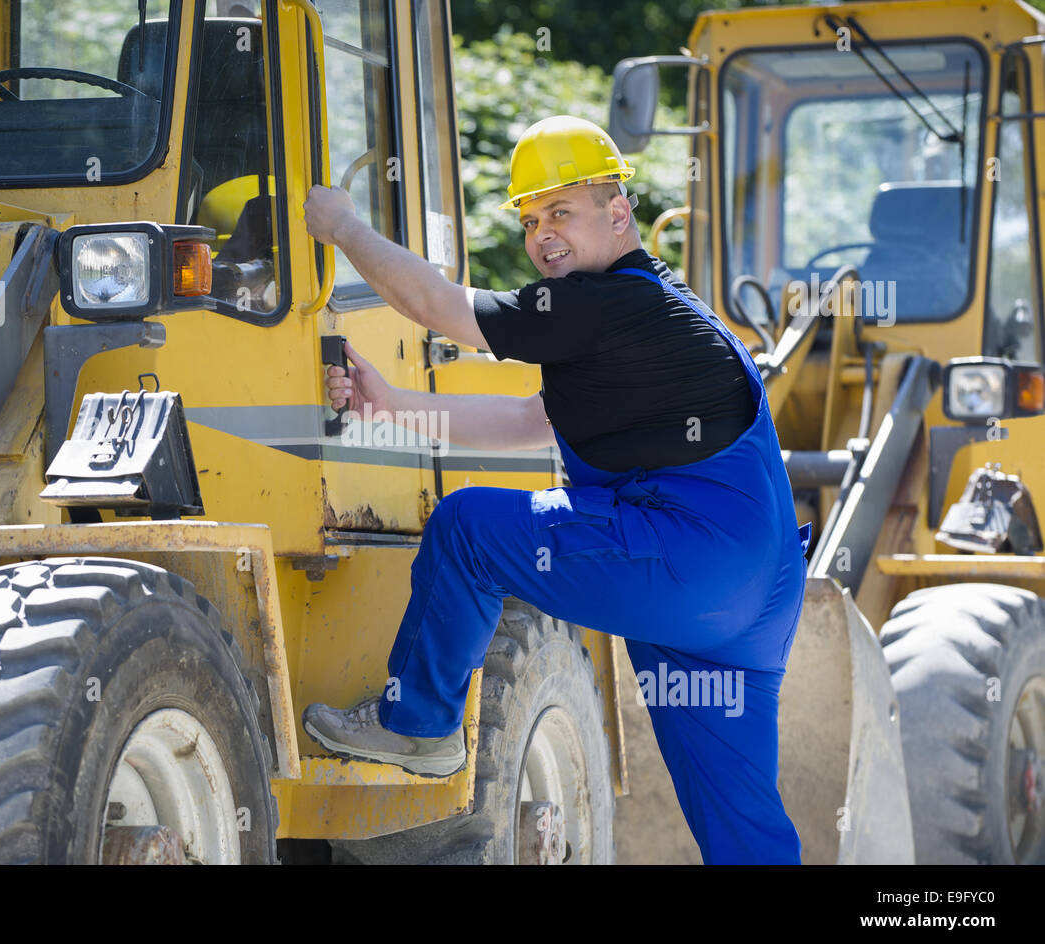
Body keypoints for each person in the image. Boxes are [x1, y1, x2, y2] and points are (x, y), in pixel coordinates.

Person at [300, 115, 809, 864]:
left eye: (561, 211)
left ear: (618, 213)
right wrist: (395, 404)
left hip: (691, 560)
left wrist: (342, 225)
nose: (543, 235)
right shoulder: (662, 308)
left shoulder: (606, 306)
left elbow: (437, 306)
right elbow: (528, 420)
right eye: (532, 219)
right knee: (743, 830)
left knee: (469, 529)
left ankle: (420, 723)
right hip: (753, 597)